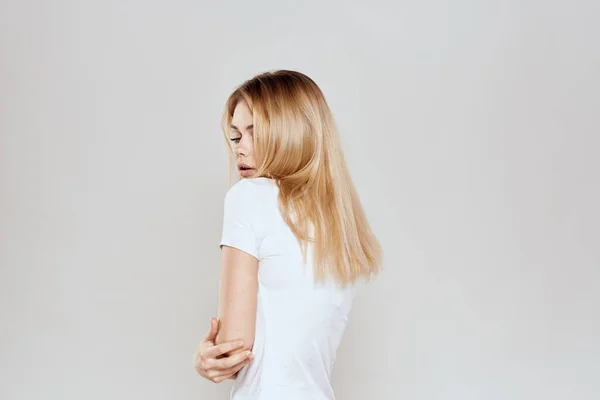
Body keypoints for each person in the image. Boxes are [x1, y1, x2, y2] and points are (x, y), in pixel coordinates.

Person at [193, 70, 382, 399]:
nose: (240, 149)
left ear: (290, 134)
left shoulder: (247, 198)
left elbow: (231, 351)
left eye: (256, 133)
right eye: (236, 136)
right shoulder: (341, 221)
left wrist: (203, 359)